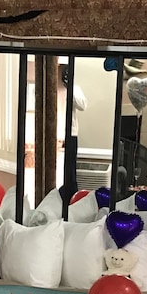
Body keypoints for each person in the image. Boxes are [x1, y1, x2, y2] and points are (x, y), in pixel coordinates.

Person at [57, 58, 87, 196]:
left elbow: (82, 106)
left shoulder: (75, 89)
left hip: (70, 134)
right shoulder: (49, 87)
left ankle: (70, 197)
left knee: (70, 171)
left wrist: (70, 88)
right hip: (53, 134)